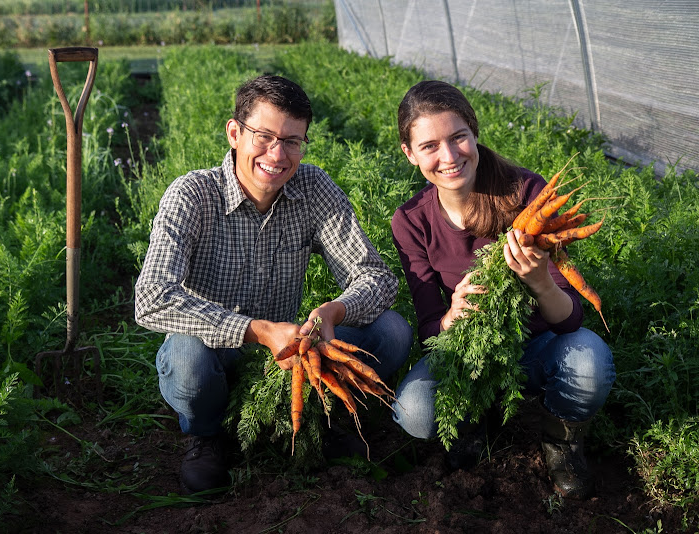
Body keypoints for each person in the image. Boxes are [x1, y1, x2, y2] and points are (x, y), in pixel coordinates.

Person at [135, 74, 413, 494]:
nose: (277, 154)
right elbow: (152, 298)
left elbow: (374, 276)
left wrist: (331, 312)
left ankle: (328, 413)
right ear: (234, 132)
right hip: (216, 352)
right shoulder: (193, 195)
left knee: (392, 331)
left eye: (292, 141)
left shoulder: (313, 188)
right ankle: (206, 436)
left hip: (290, 356)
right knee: (185, 357)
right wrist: (259, 331)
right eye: (263, 136)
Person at [389, 80, 616, 500]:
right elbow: (428, 329)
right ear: (409, 154)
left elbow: (570, 320)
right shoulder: (410, 221)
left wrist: (540, 281)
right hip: (467, 356)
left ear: (474, 131)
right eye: (429, 146)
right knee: (414, 412)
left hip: (536, 350)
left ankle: (561, 441)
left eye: (458, 137)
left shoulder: (527, 193)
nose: (449, 156)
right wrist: (450, 317)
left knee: (590, 361)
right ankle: (478, 414)